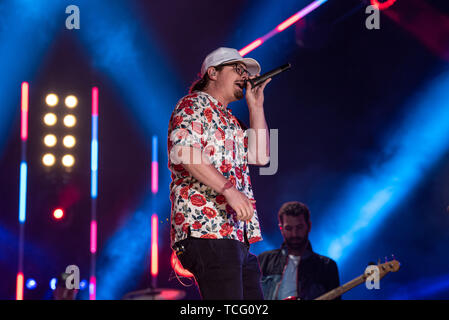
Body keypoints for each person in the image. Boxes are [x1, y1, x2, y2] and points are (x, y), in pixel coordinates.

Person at [167, 47, 271, 300]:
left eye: (246, 72)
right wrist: (229, 190)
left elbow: (262, 157)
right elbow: (184, 150)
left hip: (234, 234)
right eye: (238, 69)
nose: (245, 76)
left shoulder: (231, 120)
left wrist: (256, 107)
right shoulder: (193, 104)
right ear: (212, 73)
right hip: (206, 230)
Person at [258, 201, 341, 300]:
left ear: (308, 226)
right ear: (281, 229)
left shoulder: (327, 266)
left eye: (299, 227)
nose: (294, 234)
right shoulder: (264, 260)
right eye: (288, 228)